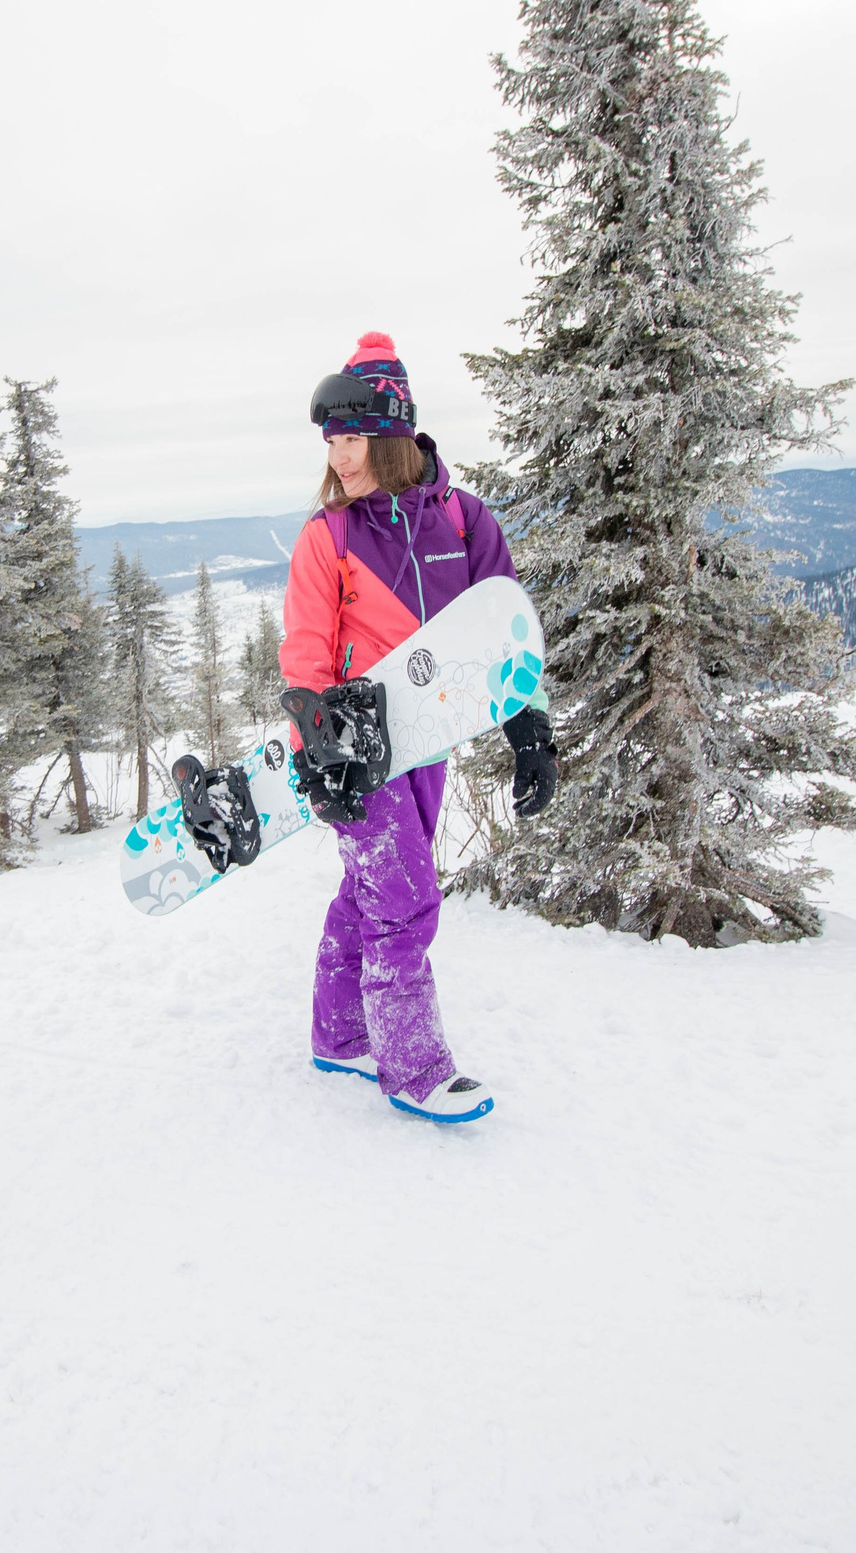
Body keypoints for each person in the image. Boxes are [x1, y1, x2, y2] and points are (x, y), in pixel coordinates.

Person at [281, 333, 558, 1124]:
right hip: (356, 753)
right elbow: (304, 656)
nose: (338, 456)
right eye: (330, 442)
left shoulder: (465, 523)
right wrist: (317, 753)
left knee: (369, 888)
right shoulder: (327, 537)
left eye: (351, 438)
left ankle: (339, 1033)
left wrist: (528, 729)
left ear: (391, 432)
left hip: (430, 738)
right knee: (403, 897)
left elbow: (504, 632)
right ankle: (411, 1065)